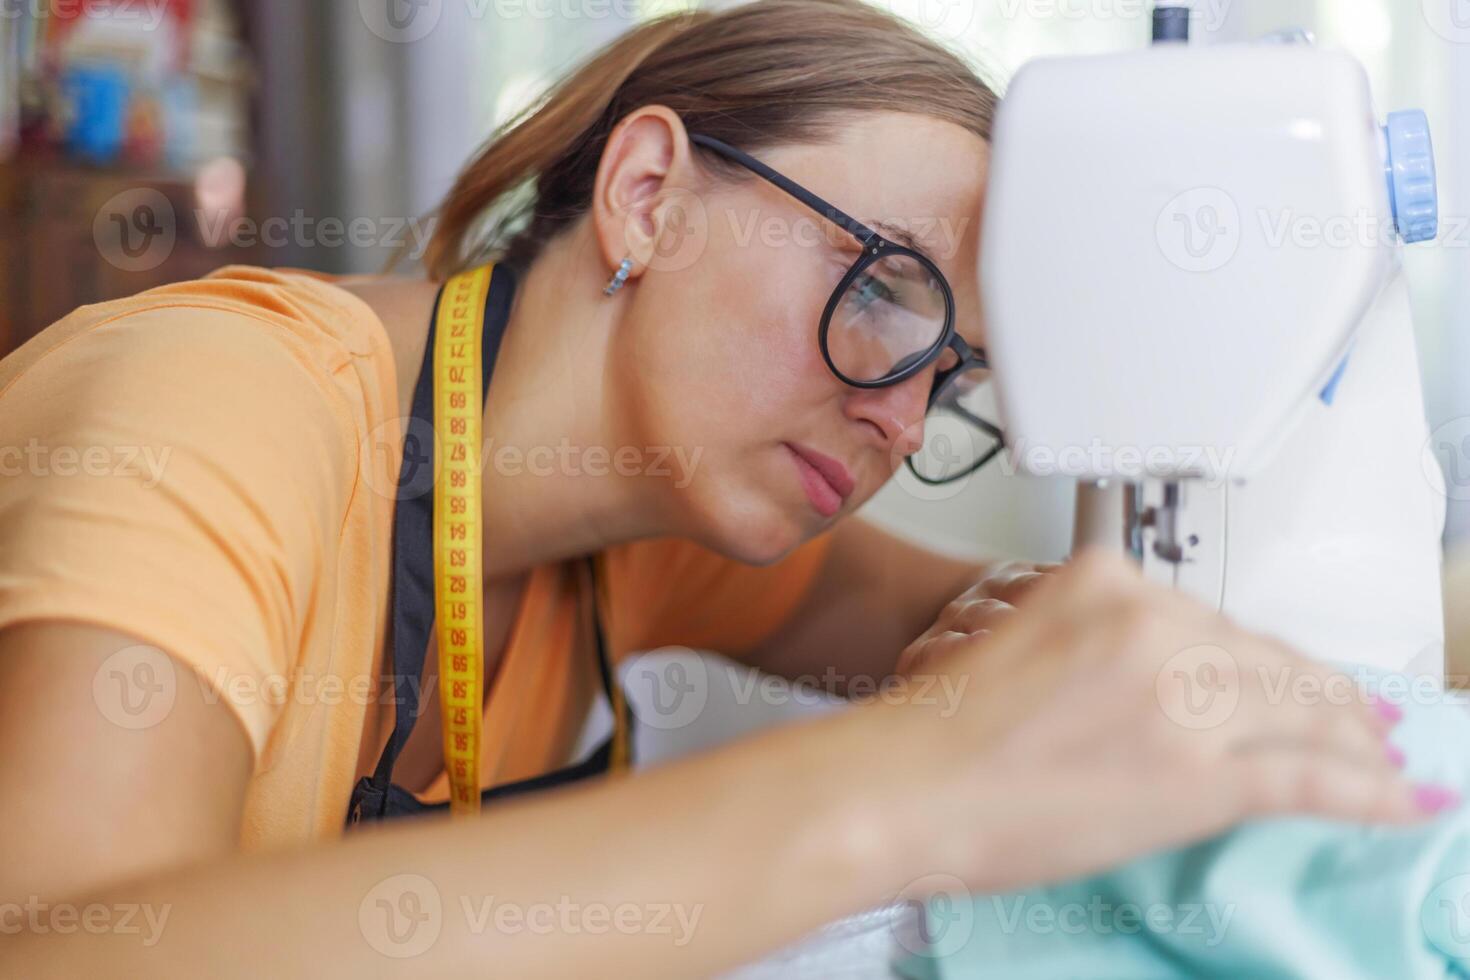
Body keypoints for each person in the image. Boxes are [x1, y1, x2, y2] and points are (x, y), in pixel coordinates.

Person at [0, 1, 1446, 975]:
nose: (894, 415)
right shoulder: (215, 402)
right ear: (647, 194)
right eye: (885, 288)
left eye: (952, 380)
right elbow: (54, 948)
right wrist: (895, 789)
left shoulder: (640, 533)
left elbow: (1089, 639)